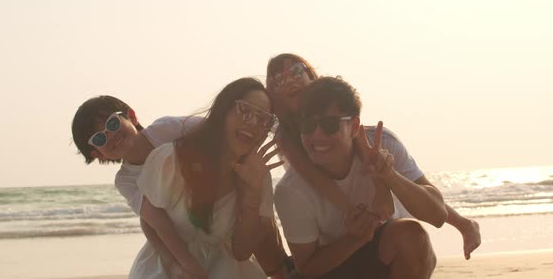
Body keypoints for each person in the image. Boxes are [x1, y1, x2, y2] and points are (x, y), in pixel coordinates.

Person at [266, 53, 481, 260]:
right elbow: (314, 177)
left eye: (295, 71)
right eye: (278, 78)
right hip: (336, 224)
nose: (288, 80)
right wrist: (353, 211)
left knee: (395, 176)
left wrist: (382, 187)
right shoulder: (286, 136)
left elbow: (363, 146)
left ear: (312, 77)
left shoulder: (349, 123)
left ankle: (463, 223)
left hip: (379, 210)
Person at [71, 88, 288, 278]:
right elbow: (155, 222)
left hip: (218, 227)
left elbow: (217, 129)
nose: (111, 136)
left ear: (131, 115)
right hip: (176, 246)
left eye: (112, 123)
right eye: (99, 138)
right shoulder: (126, 179)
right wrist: (180, 265)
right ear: (97, 153)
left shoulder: (167, 130)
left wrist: (246, 155)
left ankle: (282, 269)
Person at [275, 76, 446, 278]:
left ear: (354, 127)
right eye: (308, 125)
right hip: (333, 267)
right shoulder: (292, 190)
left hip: (385, 256)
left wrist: (390, 176)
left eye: (329, 125)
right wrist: (356, 238)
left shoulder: (382, 145)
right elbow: (307, 267)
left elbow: (438, 216)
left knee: (411, 236)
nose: (317, 136)